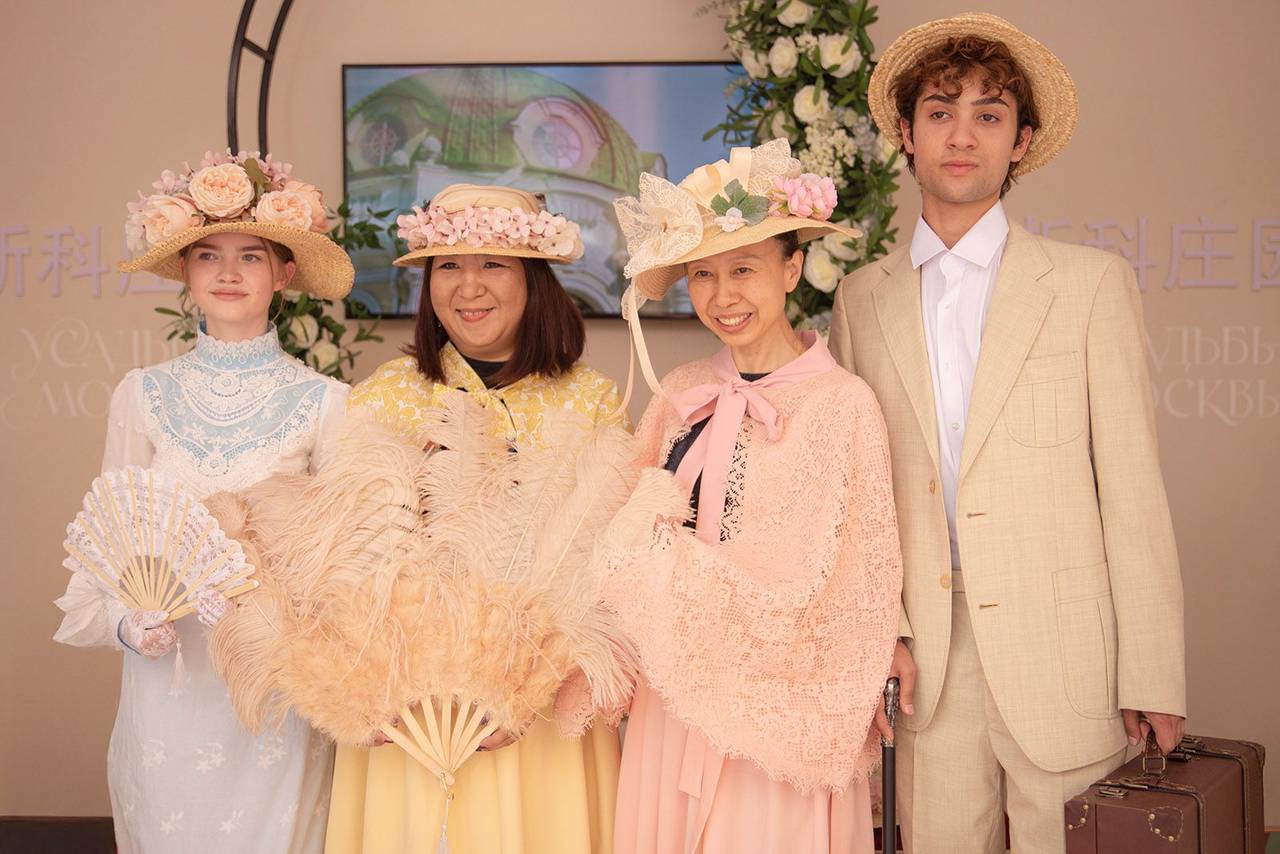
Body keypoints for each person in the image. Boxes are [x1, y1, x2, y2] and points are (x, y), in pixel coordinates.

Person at [830, 14, 1186, 853]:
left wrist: (1155, 672)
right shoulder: (860, 298)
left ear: (1021, 140)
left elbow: (1133, 493)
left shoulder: (1090, 285)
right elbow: (856, 496)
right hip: (927, 664)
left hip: (1068, 659)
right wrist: (881, 631)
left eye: (988, 115)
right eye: (940, 112)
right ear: (906, 134)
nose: (962, 136)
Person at [603, 139, 903, 853]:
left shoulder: (843, 404)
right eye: (702, 274)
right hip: (673, 708)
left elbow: (863, 573)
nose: (723, 296)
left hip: (780, 711)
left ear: (791, 268)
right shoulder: (681, 393)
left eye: (743, 268)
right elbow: (620, 533)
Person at [53, 149, 354, 852]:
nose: (228, 272)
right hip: (168, 681)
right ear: (185, 273)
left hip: (274, 685)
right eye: (208, 255)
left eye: (251, 256)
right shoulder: (141, 394)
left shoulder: (326, 403)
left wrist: (268, 605)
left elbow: (339, 567)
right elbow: (108, 543)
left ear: (284, 274)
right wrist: (129, 624)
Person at [323, 183, 626, 854]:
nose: (469, 286)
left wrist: (531, 690)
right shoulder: (385, 398)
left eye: (493, 264)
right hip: (410, 707)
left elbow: (607, 572)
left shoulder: (591, 402)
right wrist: (364, 687)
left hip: (543, 716)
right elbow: (345, 564)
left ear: (534, 279)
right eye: (449, 266)